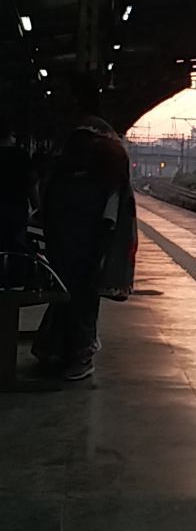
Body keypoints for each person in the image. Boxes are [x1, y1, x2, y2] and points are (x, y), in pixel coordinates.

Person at [33, 123, 136, 381]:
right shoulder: (108, 182)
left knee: (68, 303)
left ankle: (66, 353)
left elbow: (43, 215)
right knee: (82, 305)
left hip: (63, 252)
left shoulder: (61, 180)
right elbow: (109, 223)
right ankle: (78, 354)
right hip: (86, 255)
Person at [0, 117, 35, 252]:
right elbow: (31, 182)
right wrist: (37, 206)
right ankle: (17, 270)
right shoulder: (21, 155)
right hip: (17, 207)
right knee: (17, 247)